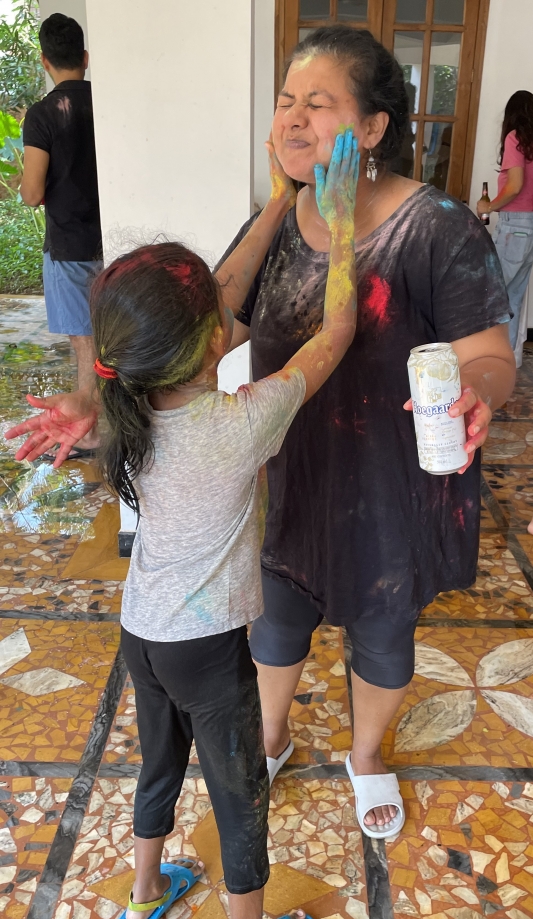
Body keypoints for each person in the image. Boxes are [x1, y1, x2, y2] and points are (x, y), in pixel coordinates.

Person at [5, 27, 516, 841]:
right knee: (276, 624)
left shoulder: (437, 229)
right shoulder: (275, 219)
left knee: (382, 634)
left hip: (392, 489)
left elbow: (488, 356)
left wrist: (476, 392)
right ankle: (271, 738)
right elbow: (200, 331)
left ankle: (366, 754)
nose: (293, 118)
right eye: (285, 102)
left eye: (318, 103)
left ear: (373, 127)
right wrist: (105, 395)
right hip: (290, 480)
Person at [53, 132, 358, 919]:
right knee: (238, 793)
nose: (230, 307)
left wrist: (277, 201)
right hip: (208, 652)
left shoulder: (127, 405)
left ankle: (144, 893)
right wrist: (338, 226)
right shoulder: (239, 425)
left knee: (157, 765)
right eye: (219, 313)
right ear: (212, 344)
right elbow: (335, 331)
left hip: (142, 635)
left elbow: (214, 298)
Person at [20, 13, 102, 456]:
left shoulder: (43, 115)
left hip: (70, 245)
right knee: (111, 332)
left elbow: (32, 193)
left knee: (85, 339)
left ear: (45, 60)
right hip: (113, 239)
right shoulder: (106, 105)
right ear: (85, 58)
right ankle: (109, 417)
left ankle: (90, 429)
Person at [477, 91, 533, 369]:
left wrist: (489, 206)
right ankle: (508, 362)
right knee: (513, 297)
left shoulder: (515, 138)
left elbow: (515, 186)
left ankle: (486, 359)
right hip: (531, 228)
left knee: (492, 293)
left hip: (515, 226)